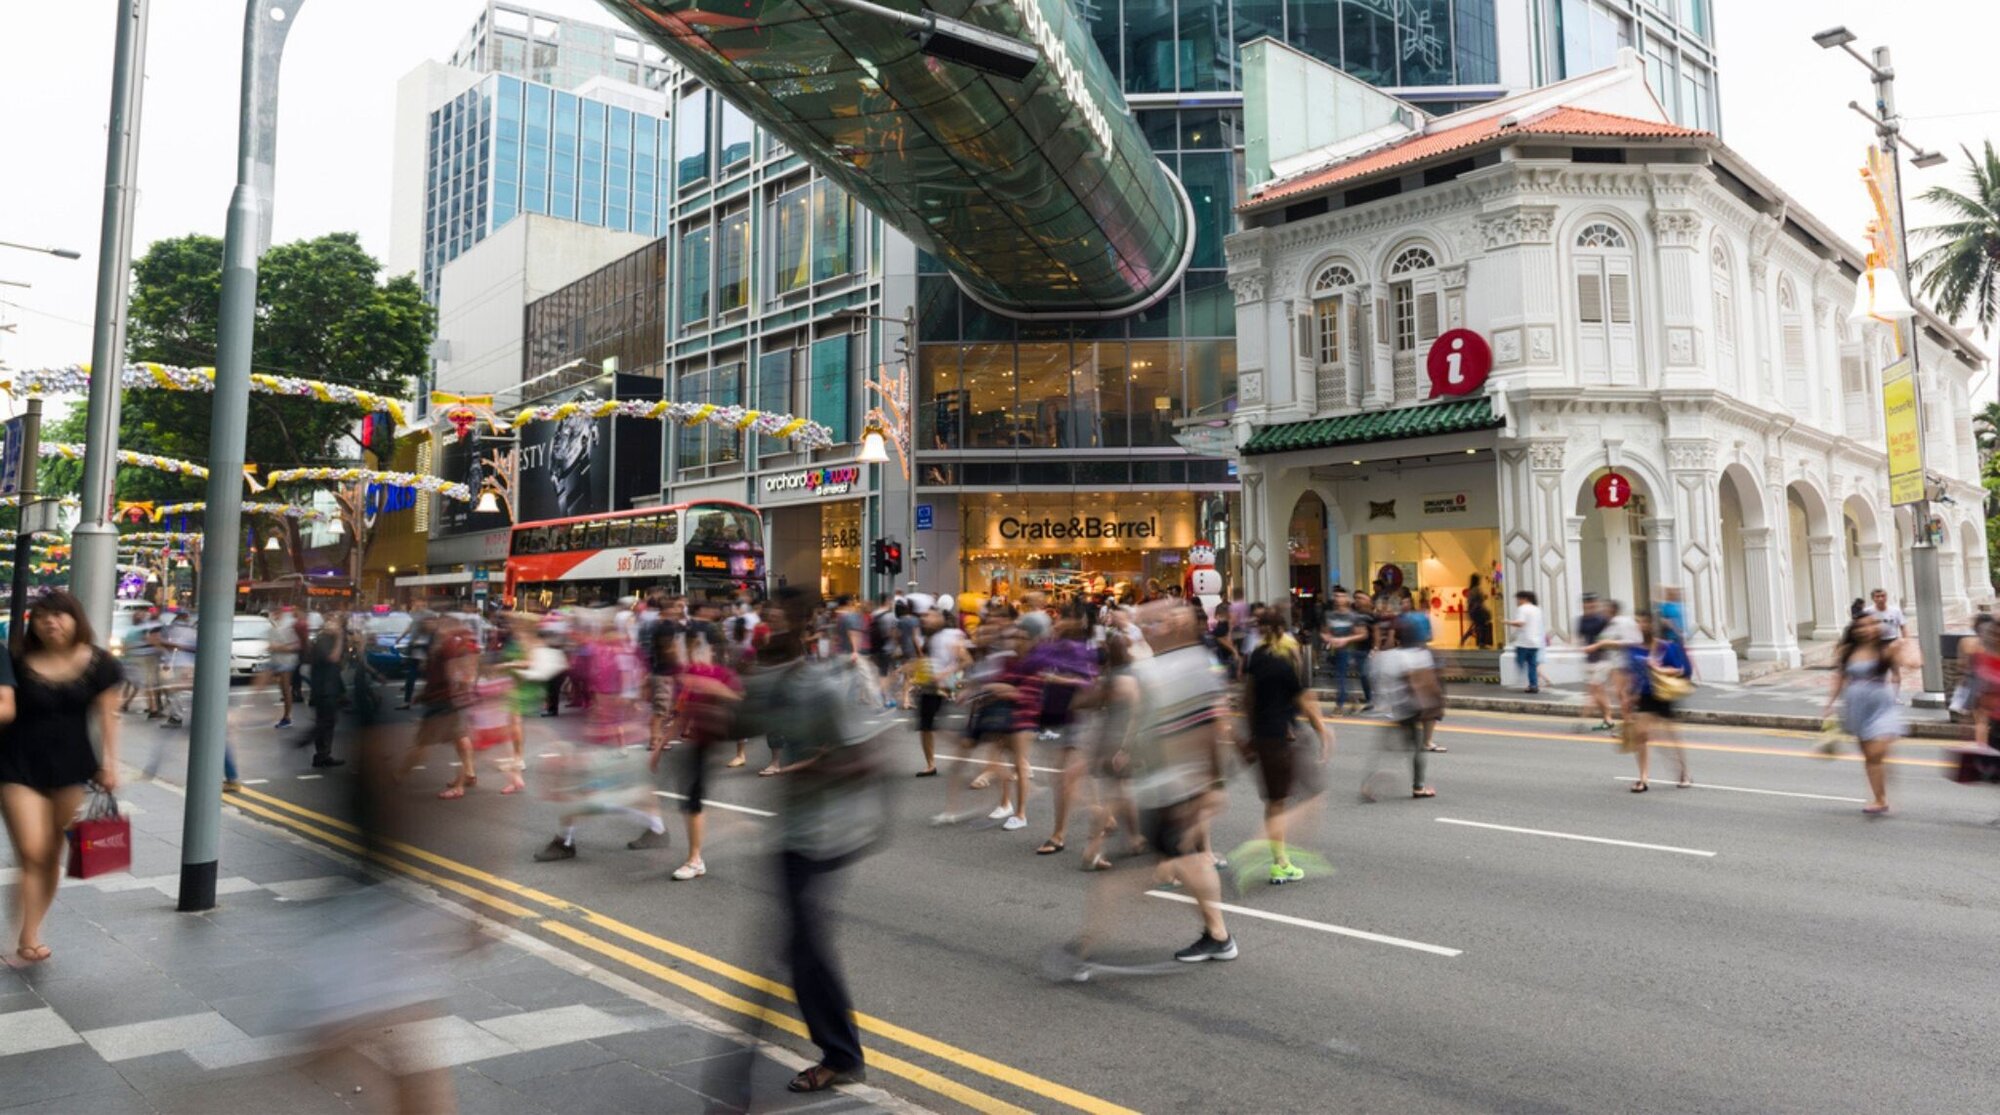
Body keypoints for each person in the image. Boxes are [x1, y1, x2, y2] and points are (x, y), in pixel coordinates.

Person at [731, 587, 876, 1094]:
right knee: (797, 949)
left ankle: (841, 1054)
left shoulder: (823, 686)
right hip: (793, 832)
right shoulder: (774, 681)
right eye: (764, 618)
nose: (764, 626)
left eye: (773, 618)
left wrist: (811, 770)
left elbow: (864, 757)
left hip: (825, 835)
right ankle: (837, 1049)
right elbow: (739, 721)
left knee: (804, 949)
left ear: (802, 628)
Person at [0, 592, 123, 965]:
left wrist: (110, 764)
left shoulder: (102, 665)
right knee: (33, 850)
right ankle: (23, 925)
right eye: (41, 617)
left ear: (75, 619)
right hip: (16, 764)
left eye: (58, 615)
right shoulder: (18, 661)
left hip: (73, 768)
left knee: (51, 853)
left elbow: (108, 716)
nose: (49, 622)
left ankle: (29, 933)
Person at [1126, 599, 1235, 963]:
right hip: (1161, 777)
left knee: (1188, 859)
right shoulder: (1158, 663)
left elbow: (1215, 724)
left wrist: (1213, 784)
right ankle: (1217, 934)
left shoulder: (1190, 663)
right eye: (1146, 622)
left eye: (1155, 622)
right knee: (1183, 858)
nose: (1147, 628)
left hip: (1181, 780)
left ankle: (1218, 934)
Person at [1239, 611, 1333, 884]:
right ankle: (1273, 857)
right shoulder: (1286, 661)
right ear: (1282, 630)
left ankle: (1278, 855)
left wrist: (1251, 734)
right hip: (1282, 738)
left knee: (1275, 802)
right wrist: (1323, 734)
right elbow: (1304, 702)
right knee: (1308, 798)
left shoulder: (1256, 657)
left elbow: (1247, 698)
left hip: (1264, 738)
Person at [664, 637, 742, 881]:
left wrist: (706, 684)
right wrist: (660, 746)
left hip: (711, 743)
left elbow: (739, 699)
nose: (695, 654)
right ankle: (696, 855)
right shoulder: (690, 677)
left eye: (700, 649)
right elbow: (682, 714)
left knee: (693, 800)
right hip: (696, 743)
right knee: (690, 800)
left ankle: (695, 859)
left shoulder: (723, 674)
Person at [1824, 611, 1911, 815]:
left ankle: (1882, 789)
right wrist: (1829, 703)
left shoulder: (1887, 649)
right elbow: (1839, 678)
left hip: (1882, 705)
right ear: (1854, 630)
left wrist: (1909, 649)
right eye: (1860, 626)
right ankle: (1880, 799)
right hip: (1856, 705)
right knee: (1870, 756)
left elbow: (1910, 663)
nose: (1865, 629)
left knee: (1875, 752)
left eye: (1870, 624)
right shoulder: (1847, 651)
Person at [1361, 616, 1442, 801]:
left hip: (1390, 708)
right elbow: (1422, 683)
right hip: (1409, 709)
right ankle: (1418, 787)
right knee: (1417, 748)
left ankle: (1369, 782)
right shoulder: (1418, 655)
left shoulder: (1384, 657)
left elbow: (1371, 678)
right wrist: (1430, 705)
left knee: (1384, 748)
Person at [1623, 613, 1691, 792]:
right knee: (1641, 735)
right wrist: (1629, 697)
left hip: (1663, 694)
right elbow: (1632, 675)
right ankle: (1643, 778)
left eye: (1645, 622)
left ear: (1653, 627)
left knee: (1670, 737)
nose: (1641, 626)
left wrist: (1658, 668)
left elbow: (1679, 669)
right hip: (1644, 695)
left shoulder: (1665, 647)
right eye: (1638, 623)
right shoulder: (1633, 649)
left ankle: (1683, 773)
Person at [912, 610, 969, 777]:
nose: (925, 619)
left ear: (940, 619)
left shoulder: (950, 636)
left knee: (932, 726)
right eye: (924, 617)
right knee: (925, 726)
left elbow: (966, 660)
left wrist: (945, 674)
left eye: (929, 616)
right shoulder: (928, 637)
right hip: (928, 686)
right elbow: (924, 660)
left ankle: (965, 742)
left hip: (942, 686)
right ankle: (930, 764)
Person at [1584, 600, 1642, 731]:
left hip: (1624, 662)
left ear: (1612, 609)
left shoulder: (1622, 622)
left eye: (1605, 609)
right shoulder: (1612, 623)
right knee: (1613, 691)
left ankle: (1629, 724)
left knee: (1622, 694)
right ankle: (1619, 721)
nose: (1602, 611)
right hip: (1614, 662)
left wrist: (1602, 644)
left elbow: (1633, 641)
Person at [303, 613, 349, 770]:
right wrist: (340, 638)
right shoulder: (323, 640)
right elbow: (333, 657)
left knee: (327, 722)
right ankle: (315, 750)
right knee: (325, 723)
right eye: (333, 622)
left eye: (337, 623)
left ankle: (323, 754)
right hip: (324, 689)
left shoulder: (327, 639)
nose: (335, 626)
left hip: (329, 687)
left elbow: (341, 663)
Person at [1323, 590, 1371, 713]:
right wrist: (1328, 638)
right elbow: (1326, 631)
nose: (1338, 599)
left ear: (1348, 600)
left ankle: (1339, 705)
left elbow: (1363, 634)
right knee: (1340, 676)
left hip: (1350, 650)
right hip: (1335, 650)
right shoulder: (1330, 615)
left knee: (1341, 677)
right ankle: (1353, 700)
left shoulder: (1353, 616)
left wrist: (1346, 639)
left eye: (1342, 596)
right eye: (1336, 596)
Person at [1576, 595, 1613, 729]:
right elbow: (1580, 637)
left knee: (1594, 690)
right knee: (1599, 692)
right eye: (1586, 603)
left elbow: (1610, 637)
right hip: (1589, 660)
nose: (1589, 606)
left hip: (1602, 659)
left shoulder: (1602, 619)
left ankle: (1582, 719)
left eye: (1592, 603)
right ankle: (1608, 719)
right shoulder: (1581, 620)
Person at [262, 607, 300, 728]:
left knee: (285, 689)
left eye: (277, 613)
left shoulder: (289, 627)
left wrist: (277, 647)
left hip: (286, 662)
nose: (274, 615)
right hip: (277, 661)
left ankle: (287, 717)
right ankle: (286, 716)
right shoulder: (275, 626)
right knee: (283, 689)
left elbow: (295, 646)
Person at [1506, 590, 1546, 694]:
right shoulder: (1537, 609)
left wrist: (1507, 622)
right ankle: (1533, 685)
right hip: (1535, 642)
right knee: (1532, 664)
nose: (1517, 602)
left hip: (1524, 642)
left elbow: (1520, 623)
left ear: (1524, 599)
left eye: (1518, 599)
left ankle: (1522, 679)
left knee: (1520, 661)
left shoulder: (1522, 609)